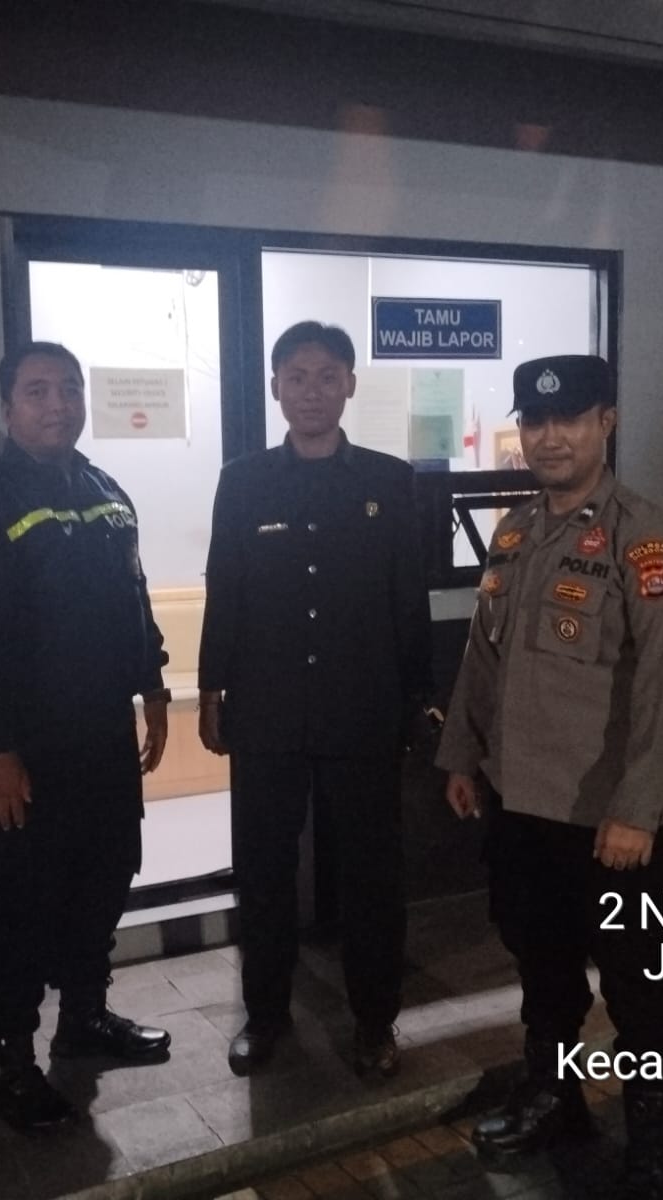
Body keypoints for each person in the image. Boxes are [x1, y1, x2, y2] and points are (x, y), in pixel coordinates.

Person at [435, 355, 663, 1200]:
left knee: (639, 990)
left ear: (605, 423)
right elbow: (483, 658)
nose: (550, 437)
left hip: (607, 823)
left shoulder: (646, 538)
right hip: (521, 808)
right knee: (542, 972)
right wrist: (462, 754)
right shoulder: (515, 533)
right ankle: (557, 1101)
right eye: (536, 421)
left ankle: (653, 1148)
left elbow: (662, 689)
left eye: (570, 419)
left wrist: (638, 809)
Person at [0, 341, 174, 1134]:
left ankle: (85, 1018)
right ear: (8, 406)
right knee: (20, 907)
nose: (57, 404)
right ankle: (7, 1068)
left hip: (101, 738)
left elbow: (134, 600)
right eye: (37, 391)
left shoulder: (106, 492)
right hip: (25, 751)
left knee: (103, 877)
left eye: (69, 389)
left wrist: (153, 687)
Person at [198, 320, 432, 1079]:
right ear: (274, 387)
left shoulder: (389, 482)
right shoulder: (242, 481)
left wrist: (417, 698)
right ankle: (265, 1015)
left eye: (327, 376)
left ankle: (375, 1021)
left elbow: (407, 599)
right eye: (296, 377)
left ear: (350, 385)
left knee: (372, 876)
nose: (311, 391)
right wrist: (210, 688)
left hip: (361, 710)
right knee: (263, 872)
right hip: (266, 711)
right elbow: (224, 588)